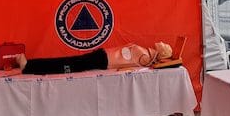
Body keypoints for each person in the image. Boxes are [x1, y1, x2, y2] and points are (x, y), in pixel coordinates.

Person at [15, 42, 172, 75]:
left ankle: (30, 66)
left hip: (104, 59)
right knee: (67, 63)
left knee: (67, 63)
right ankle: (29, 65)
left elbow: (130, 65)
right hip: (104, 58)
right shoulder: (147, 56)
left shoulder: (146, 56)